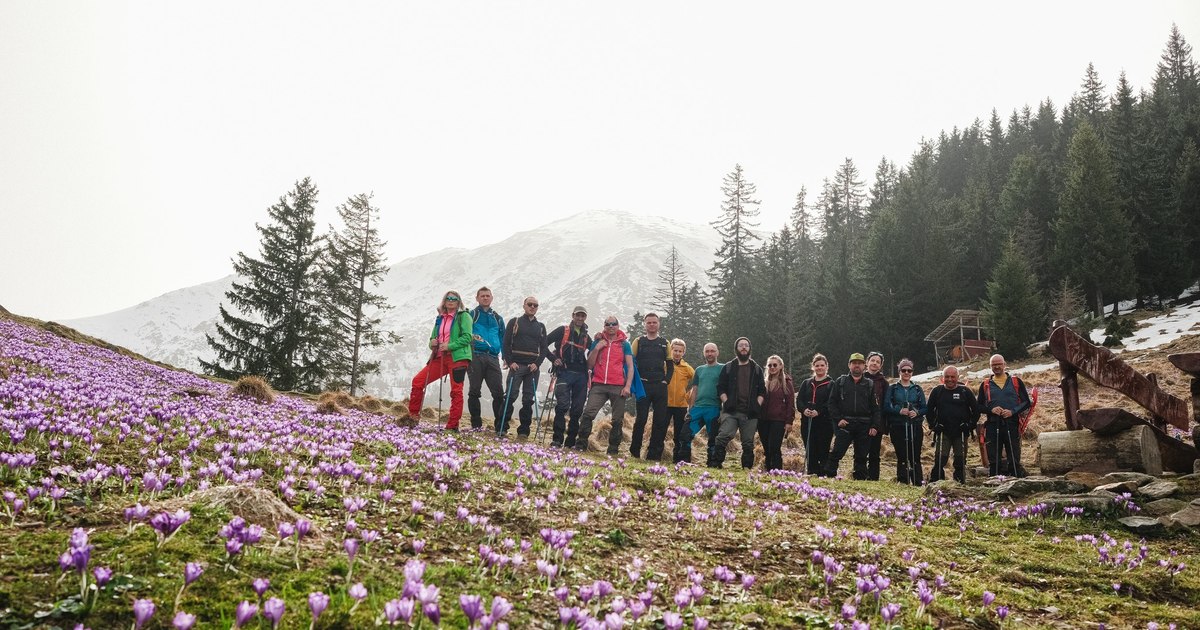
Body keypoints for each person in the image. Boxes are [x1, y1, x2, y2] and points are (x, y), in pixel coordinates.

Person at [406, 291, 473, 430]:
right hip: (439, 357)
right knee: (418, 381)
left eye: (454, 298)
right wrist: (433, 343)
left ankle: (452, 425)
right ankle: (412, 417)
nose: (450, 300)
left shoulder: (464, 316)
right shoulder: (440, 318)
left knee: (456, 391)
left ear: (458, 301)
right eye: (448, 298)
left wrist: (450, 345)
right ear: (444, 301)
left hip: (457, 357)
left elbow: (468, 337)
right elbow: (431, 339)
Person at [575, 315, 635, 454]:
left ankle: (613, 449)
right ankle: (581, 444)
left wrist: (627, 386)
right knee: (588, 413)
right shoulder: (597, 341)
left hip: (618, 386)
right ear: (604, 326)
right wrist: (597, 348)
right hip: (599, 384)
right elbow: (589, 364)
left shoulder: (624, 344)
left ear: (618, 326)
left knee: (617, 419)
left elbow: (630, 367)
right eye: (608, 324)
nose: (611, 326)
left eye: (613, 324)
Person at [824, 353, 882, 479]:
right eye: (854, 363)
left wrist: (875, 426)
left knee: (861, 456)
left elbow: (875, 408)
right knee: (837, 452)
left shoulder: (869, 384)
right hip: (846, 423)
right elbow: (832, 403)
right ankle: (829, 476)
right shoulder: (841, 382)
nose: (857, 365)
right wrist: (838, 419)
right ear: (849, 365)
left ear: (864, 366)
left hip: (864, 425)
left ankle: (860, 480)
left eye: (859, 363)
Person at [712, 337, 766, 469]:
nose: (743, 347)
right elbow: (720, 388)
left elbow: (762, 391)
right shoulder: (728, 367)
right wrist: (727, 402)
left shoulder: (757, 369)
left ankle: (746, 468)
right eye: (740, 345)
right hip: (731, 411)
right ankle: (716, 463)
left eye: (746, 345)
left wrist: (757, 405)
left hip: (750, 413)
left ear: (749, 349)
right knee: (724, 435)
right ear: (736, 349)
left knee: (748, 442)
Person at [977, 354, 1031, 477]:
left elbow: (1026, 402)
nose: (996, 366)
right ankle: (994, 483)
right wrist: (991, 410)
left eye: (999, 364)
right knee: (994, 458)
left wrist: (1013, 411)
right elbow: (978, 406)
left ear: (1004, 364)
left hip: (1012, 423)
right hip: (992, 424)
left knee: (1014, 455)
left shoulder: (1016, 382)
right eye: (993, 364)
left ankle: (1017, 481)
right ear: (990, 366)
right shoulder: (985, 385)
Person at [499, 296, 547, 437]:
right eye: (530, 304)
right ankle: (502, 427)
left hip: (532, 368)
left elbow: (544, 348)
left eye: (535, 305)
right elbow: (506, 343)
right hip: (516, 366)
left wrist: (537, 364)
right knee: (510, 396)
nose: (532, 307)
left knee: (528, 399)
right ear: (524, 306)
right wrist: (510, 361)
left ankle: (524, 431)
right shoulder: (515, 322)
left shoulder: (541, 327)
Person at [544, 306, 591, 448]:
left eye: (583, 316)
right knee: (562, 406)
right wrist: (553, 359)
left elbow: (592, 352)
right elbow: (543, 343)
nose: (580, 318)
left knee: (577, 409)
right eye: (578, 315)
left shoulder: (586, 337)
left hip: (581, 376)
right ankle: (557, 440)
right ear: (573, 315)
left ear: (585, 318)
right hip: (564, 373)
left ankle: (571, 441)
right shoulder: (562, 331)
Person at [926, 366, 978, 483]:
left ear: (957, 377)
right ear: (942, 378)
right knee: (940, 459)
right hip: (943, 431)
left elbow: (976, 410)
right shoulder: (937, 391)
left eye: (952, 377)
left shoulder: (965, 391)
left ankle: (959, 483)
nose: (949, 379)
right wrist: (934, 425)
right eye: (947, 377)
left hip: (961, 431)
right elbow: (929, 410)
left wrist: (970, 425)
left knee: (960, 460)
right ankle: (936, 483)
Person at [630, 313, 671, 460]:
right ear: (644, 324)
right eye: (649, 323)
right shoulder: (638, 341)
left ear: (659, 324)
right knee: (641, 419)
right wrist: (634, 383)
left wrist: (666, 381)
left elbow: (670, 365)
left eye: (654, 322)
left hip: (660, 386)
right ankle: (634, 452)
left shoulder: (665, 343)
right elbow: (631, 362)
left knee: (659, 421)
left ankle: (654, 455)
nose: (652, 325)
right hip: (643, 385)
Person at [883, 358, 928, 485]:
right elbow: (886, 406)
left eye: (909, 370)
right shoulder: (893, 388)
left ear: (912, 372)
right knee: (902, 455)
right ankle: (903, 481)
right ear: (899, 372)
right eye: (904, 370)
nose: (906, 372)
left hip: (915, 425)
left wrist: (917, 412)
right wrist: (899, 411)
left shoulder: (917, 389)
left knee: (915, 455)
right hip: (898, 425)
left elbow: (925, 407)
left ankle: (918, 482)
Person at [467, 287, 505, 430]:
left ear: (491, 298)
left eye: (487, 296)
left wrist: (505, 356)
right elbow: (465, 333)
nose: (485, 298)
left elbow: (503, 338)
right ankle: (476, 424)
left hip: (493, 357)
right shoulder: (472, 315)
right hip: (476, 355)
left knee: (498, 393)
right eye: (482, 296)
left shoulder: (497, 318)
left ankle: (499, 426)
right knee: (474, 391)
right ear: (477, 298)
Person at [797, 353, 834, 476]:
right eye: (817, 365)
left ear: (826, 367)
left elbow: (831, 402)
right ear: (813, 367)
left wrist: (819, 411)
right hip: (807, 422)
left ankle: (823, 475)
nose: (819, 368)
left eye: (822, 365)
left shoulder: (831, 384)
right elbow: (799, 400)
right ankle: (811, 473)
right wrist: (804, 410)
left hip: (824, 423)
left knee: (823, 449)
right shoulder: (806, 383)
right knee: (810, 449)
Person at [758, 354, 796, 472]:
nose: (772, 367)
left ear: (780, 366)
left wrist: (789, 421)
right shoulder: (763, 382)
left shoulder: (786, 382)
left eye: (775, 365)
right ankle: (769, 472)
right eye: (770, 365)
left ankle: (778, 472)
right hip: (763, 420)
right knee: (767, 449)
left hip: (778, 420)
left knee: (774, 447)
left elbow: (790, 403)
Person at [686, 343, 722, 465]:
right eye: (707, 351)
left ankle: (713, 463)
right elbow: (694, 390)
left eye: (712, 351)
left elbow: (726, 389)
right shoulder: (699, 370)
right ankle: (683, 462)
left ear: (717, 353)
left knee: (713, 439)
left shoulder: (723, 368)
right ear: (704, 353)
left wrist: (724, 409)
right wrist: (690, 409)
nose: (710, 353)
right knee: (685, 435)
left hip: (714, 408)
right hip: (697, 408)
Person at [665, 339, 696, 464]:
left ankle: (678, 459)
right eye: (675, 350)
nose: (677, 353)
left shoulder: (687, 368)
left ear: (683, 353)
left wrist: (687, 395)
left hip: (681, 406)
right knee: (661, 430)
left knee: (679, 434)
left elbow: (696, 382)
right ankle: (656, 455)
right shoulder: (665, 365)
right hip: (665, 404)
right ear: (671, 350)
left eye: (680, 351)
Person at [864, 351, 888, 481]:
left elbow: (884, 404)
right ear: (867, 362)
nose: (874, 363)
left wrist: (879, 423)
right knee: (861, 451)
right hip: (861, 420)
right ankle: (860, 475)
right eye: (872, 360)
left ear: (880, 366)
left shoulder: (883, 382)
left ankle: (873, 478)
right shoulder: (859, 378)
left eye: (877, 362)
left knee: (874, 452)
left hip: (877, 422)